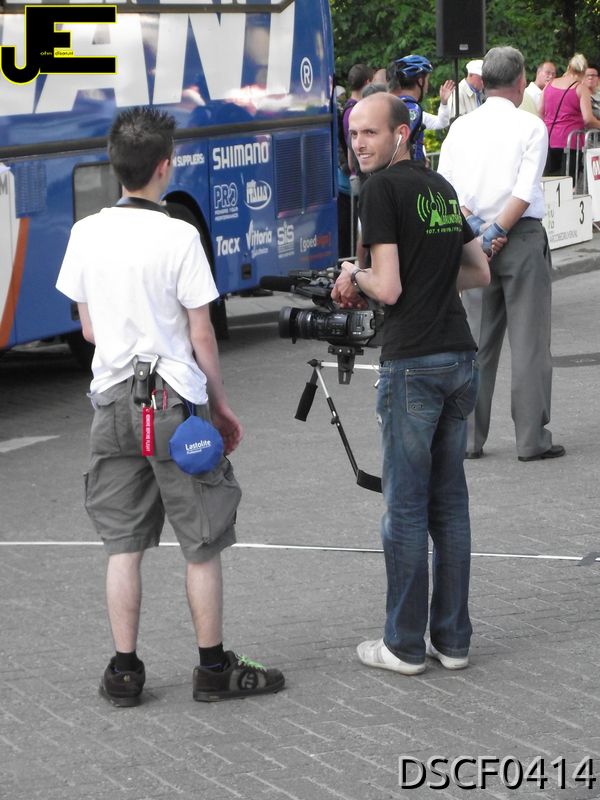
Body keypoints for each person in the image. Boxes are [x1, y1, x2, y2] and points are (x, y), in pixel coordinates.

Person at [56, 106, 284, 707]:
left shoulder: (84, 233)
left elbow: (88, 330)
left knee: (123, 545)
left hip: (112, 402)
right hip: (174, 405)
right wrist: (221, 406)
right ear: (165, 166)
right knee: (201, 540)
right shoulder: (179, 235)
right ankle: (211, 668)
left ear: (115, 166)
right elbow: (201, 332)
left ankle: (124, 672)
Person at [332, 92, 490, 675]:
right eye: (353, 134)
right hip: (458, 357)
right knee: (450, 506)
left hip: (413, 363)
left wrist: (354, 274)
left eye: (370, 132)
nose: (359, 143)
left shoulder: (380, 190)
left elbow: (389, 287)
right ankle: (453, 639)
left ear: (401, 134)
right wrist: (430, 284)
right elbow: (479, 270)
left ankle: (402, 644)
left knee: (403, 508)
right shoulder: (440, 187)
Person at [438, 45, 565, 462]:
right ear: (520, 81)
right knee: (529, 344)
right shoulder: (530, 126)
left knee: (475, 343)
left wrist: (478, 230)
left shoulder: (460, 127)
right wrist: (500, 230)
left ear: (485, 81)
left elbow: (447, 189)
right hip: (521, 237)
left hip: (472, 239)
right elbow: (524, 192)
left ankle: (468, 438)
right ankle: (531, 440)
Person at [540, 53, 600, 179]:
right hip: (571, 142)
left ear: (569, 67)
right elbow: (588, 119)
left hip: (548, 140)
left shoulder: (549, 85)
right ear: (583, 71)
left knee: (549, 182)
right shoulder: (580, 88)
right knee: (569, 184)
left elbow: (540, 112)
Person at [387, 54, 454, 161]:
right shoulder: (413, 108)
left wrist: (444, 103)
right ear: (420, 81)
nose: (427, 85)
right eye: (427, 80)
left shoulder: (394, 104)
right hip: (407, 169)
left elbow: (440, 123)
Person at [337, 64, 374, 259]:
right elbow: (352, 150)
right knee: (362, 229)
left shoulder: (348, 109)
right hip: (357, 177)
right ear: (367, 82)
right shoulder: (355, 111)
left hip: (352, 177)